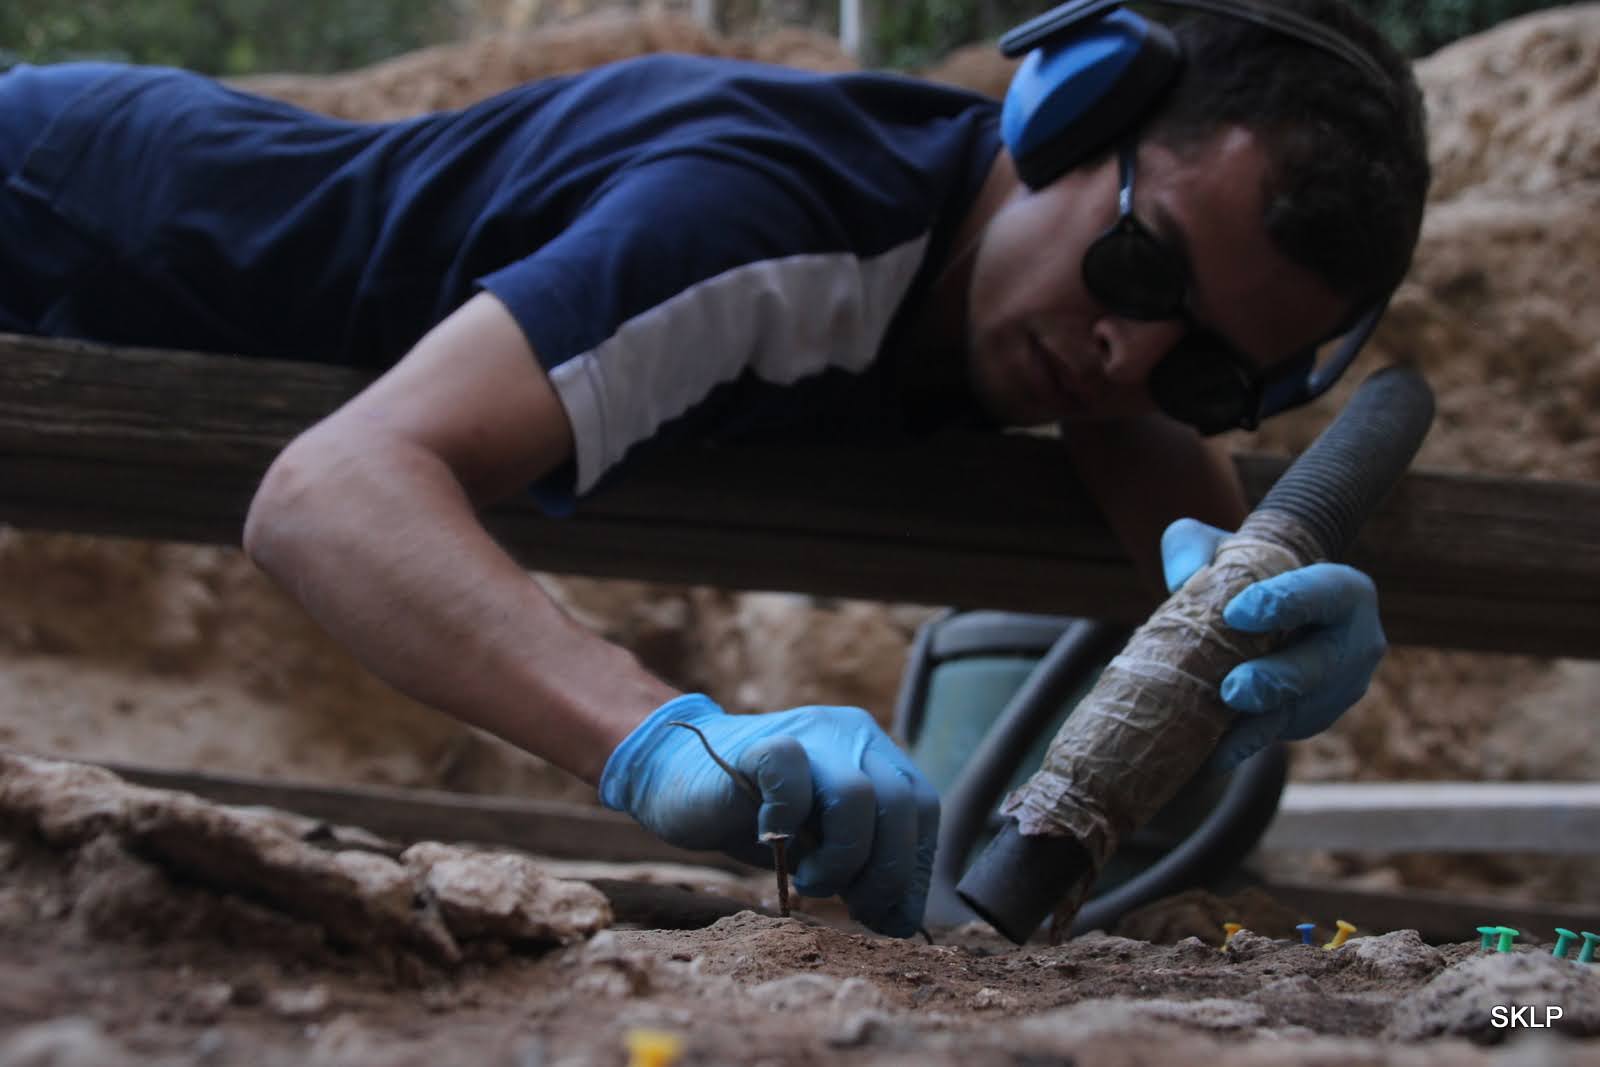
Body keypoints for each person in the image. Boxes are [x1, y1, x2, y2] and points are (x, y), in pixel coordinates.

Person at [0, 0, 1428, 938]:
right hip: (62, 213)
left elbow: (1127, 417)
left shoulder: (1036, 303)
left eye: (1205, 367)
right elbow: (328, 492)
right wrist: (664, 737)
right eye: (1138, 264)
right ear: (1063, 110)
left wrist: (1240, 585)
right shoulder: (773, 214)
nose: (1125, 355)